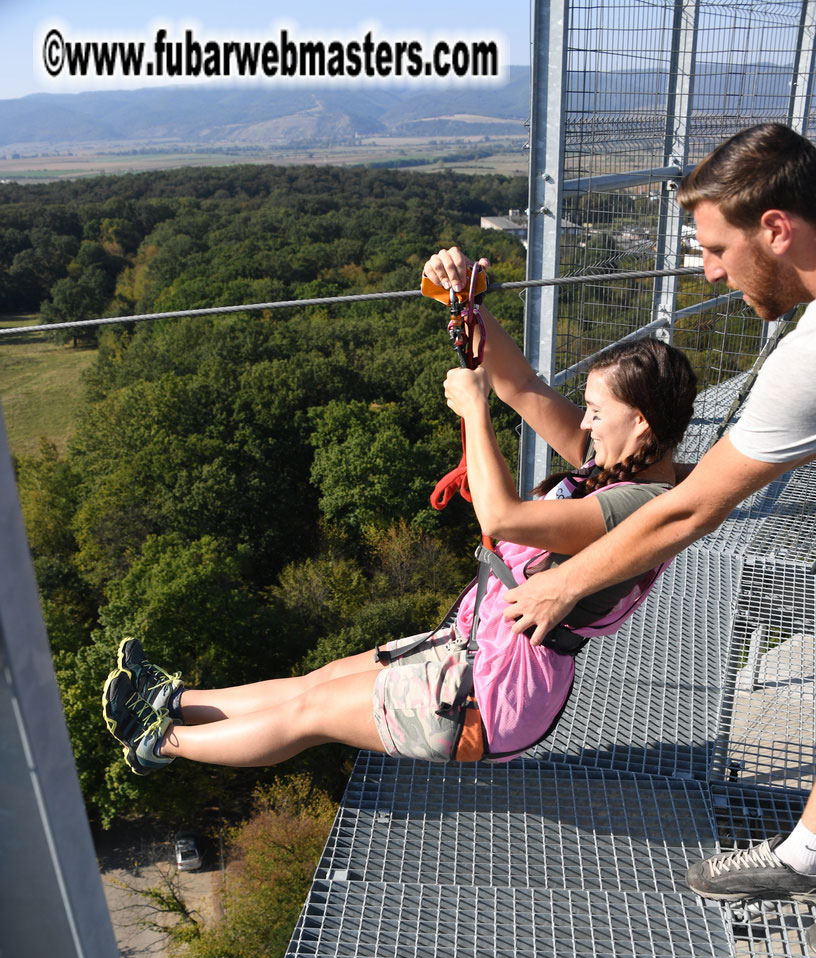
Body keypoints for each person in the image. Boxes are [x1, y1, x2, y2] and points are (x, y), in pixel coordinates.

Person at [101, 268, 696, 776]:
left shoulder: (637, 505)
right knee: (320, 681)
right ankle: (172, 700)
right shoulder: (616, 467)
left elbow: (502, 517)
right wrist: (467, 302)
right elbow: (525, 386)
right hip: (477, 652)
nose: (585, 424)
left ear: (641, 422)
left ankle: (157, 740)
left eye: (596, 412)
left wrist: (473, 411)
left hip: (489, 698)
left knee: (309, 716)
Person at [491, 121, 816, 905]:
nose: (706, 275)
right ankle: (806, 853)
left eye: (714, 248)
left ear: (775, 229)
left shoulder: (806, 361)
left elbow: (687, 512)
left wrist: (565, 588)